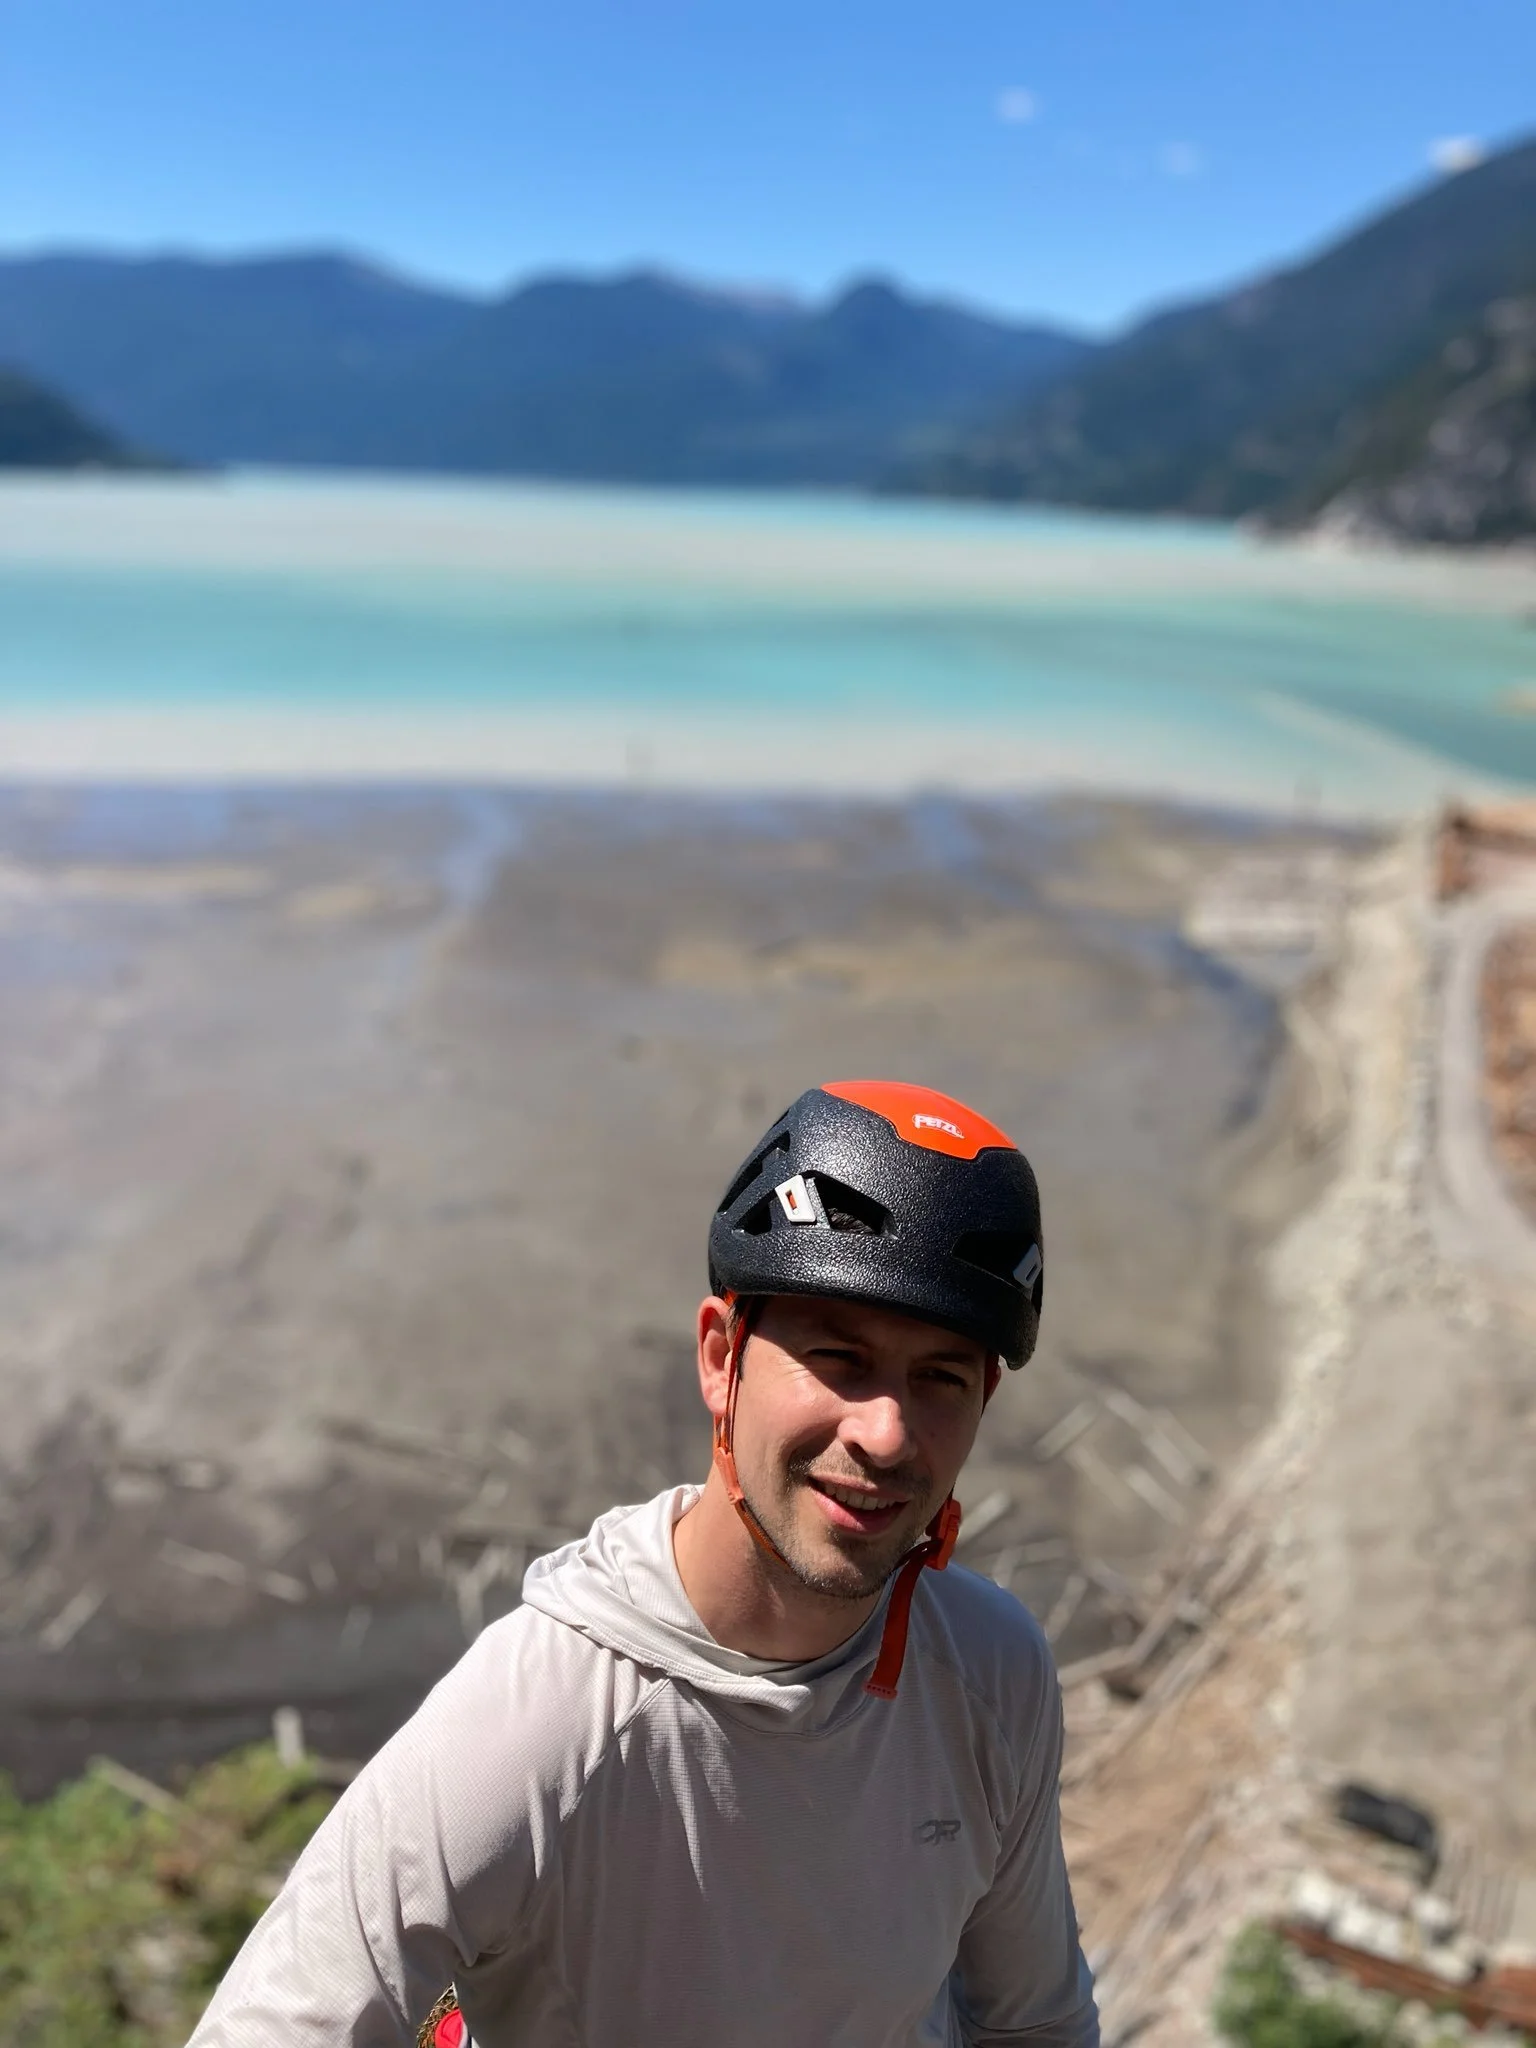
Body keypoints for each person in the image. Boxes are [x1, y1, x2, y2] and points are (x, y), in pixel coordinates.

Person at [190, 1078, 1099, 2047]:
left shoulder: (989, 1671)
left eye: (941, 1378)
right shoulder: (546, 1718)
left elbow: (1035, 2020)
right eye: (840, 1357)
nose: (886, 1430)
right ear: (721, 1357)